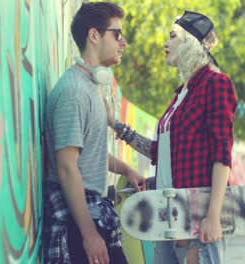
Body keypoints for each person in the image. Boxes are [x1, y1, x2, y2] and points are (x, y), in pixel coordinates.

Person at [107, 10, 238, 264]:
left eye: (172, 36)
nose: (165, 44)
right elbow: (160, 153)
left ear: (191, 41)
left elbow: (222, 154)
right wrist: (116, 125)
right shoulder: (181, 95)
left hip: (197, 222)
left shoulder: (215, 83)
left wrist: (214, 216)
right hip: (166, 218)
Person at [42, 2, 147, 264]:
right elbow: (67, 167)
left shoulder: (91, 87)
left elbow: (88, 152)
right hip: (78, 222)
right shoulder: (74, 92)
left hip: (91, 214)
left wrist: (126, 170)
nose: (123, 43)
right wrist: (89, 235)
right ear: (94, 35)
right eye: (117, 34)